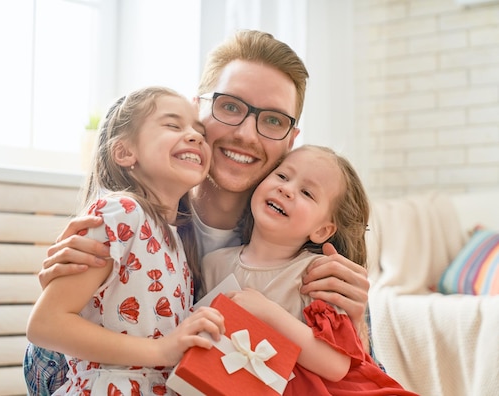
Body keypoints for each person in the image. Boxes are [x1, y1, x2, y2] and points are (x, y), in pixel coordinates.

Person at [25, 30, 373, 394]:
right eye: (230, 106)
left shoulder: (301, 241)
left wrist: (356, 324)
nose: (247, 134)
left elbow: (357, 375)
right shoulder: (138, 222)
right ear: (199, 109)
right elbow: (46, 361)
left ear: (291, 139)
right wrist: (79, 291)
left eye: (272, 120)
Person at [25, 86, 225, 395]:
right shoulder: (121, 213)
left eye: (199, 131)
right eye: (173, 125)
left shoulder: (177, 237)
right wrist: (163, 351)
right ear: (125, 152)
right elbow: (45, 325)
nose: (195, 136)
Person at [206, 145, 417, 395]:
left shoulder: (319, 273)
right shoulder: (213, 264)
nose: (286, 189)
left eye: (306, 193)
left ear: (322, 231)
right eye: (282, 176)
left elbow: (336, 365)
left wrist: (267, 312)